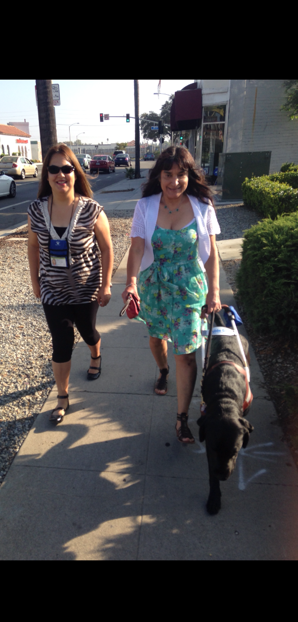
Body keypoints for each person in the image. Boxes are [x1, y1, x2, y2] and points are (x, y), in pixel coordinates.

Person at [121, 146, 221, 444]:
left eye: (181, 175)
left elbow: (212, 255)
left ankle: (182, 420)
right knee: (156, 339)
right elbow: (137, 247)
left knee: (187, 353)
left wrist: (213, 293)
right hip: (155, 286)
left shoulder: (203, 206)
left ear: (189, 175)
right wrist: (131, 282)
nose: (174, 181)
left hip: (190, 288)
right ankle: (163, 370)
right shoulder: (146, 206)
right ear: (159, 175)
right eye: (168, 174)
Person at [27, 144, 113, 424]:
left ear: (75, 173)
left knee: (88, 332)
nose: (60, 174)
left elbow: (107, 248)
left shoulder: (92, 210)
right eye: (54, 169)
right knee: (61, 343)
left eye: (67, 168)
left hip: (86, 288)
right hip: (53, 290)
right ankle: (62, 396)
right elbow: (32, 247)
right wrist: (35, 281)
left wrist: (106, 285)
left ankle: (95, 354)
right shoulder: (36, 211)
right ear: (46, 174)